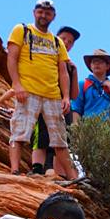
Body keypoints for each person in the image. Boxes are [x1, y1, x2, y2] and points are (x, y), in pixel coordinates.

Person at [6, 0, 77, 180]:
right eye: (40, 11)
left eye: (48, 12)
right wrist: (17, 84)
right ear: (34, 12)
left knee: (60, 139)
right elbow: (12, 58)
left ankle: (71, 177)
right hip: (28, 91)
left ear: (53, 16)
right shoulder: (22, 30)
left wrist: (66, 96)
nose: (43, 15)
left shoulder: (56, 42)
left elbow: (62, 71)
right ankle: (14, 171)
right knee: (20, 132)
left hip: (52, 95)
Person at [31, 24, 80, 175]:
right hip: (44, 102)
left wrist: (75, 71)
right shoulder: (45, 57)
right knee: (42, 137)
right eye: (64, 38)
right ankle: (39, 169)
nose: (66, 43)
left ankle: (57, 173)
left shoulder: (69, 66)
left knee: (61, 140)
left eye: (70, 42)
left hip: (63, 106)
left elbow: (74, 95)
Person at [70, 49, 110, 122]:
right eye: (94, 62)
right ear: (91, 66)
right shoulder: (82, 85)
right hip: (88, 131)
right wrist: (77, 132)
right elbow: (76, 110)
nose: (96, 64)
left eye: (100, 62)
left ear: (107, 66)